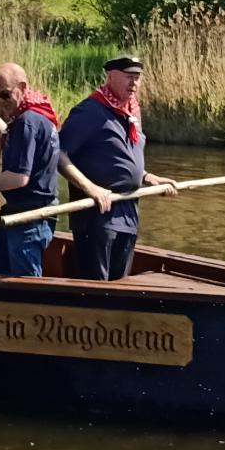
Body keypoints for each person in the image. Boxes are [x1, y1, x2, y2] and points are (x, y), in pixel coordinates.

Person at [0, 62, 111, 277]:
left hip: (29, 218)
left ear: (23, 87)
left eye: (6, 95)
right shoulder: (37, 116)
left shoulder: (28, 122)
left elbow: (18, 178)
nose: (1, 102)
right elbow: (17, 141)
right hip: (21, 214)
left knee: (24, 282)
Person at [56, 54, 177, 280]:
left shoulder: (132, 112)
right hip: (98, 215)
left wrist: (147, 177)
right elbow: (59, 153)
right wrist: (90, 187)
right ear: (110, 76)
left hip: (128, 213)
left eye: (138, 77)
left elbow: (120, 158)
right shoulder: (90, 111)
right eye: (128, 77)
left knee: (120, 284)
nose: (134, 83)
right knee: (96, 286)